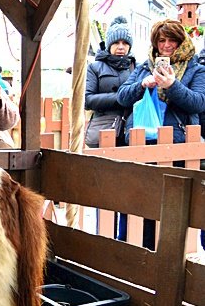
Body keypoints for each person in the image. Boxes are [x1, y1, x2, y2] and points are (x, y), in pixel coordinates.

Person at [117, 19, 205, 250]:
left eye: (172, 40)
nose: (166, 45)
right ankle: (137, 250)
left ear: (181, 42)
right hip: (142, 143)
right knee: (140, 199)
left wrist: (172, 85)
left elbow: (198, 103)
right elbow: (122, 97)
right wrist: (142, 85)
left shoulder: (196, 69)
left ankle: (169, 252)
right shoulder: (145, 67)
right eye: (161, 40)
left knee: (174, 205)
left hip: (178, 146)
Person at [85, 16, 137, 149]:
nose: (121, 47)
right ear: (109, 45)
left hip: (132, 130)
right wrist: (120, 98)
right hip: (104, 127)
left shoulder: (137, 67)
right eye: (116, 43)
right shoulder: (94, 67)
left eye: (125, 43)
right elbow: (87, 100)